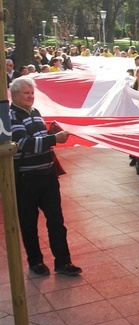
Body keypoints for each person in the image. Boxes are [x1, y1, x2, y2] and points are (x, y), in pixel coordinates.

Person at [9, 77, 82, 276]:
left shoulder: (35, 112)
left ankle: (63, 262)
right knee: (29, 222)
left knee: (56, 220)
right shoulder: (11, 116)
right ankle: (36, 262)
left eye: (32, 93)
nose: (30, 96)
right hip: (27, 178)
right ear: (14, 95)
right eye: (26, 93)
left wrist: (50, 133)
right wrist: (53, 139)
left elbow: (38, 139)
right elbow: (23, 144)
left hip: (47, 175)